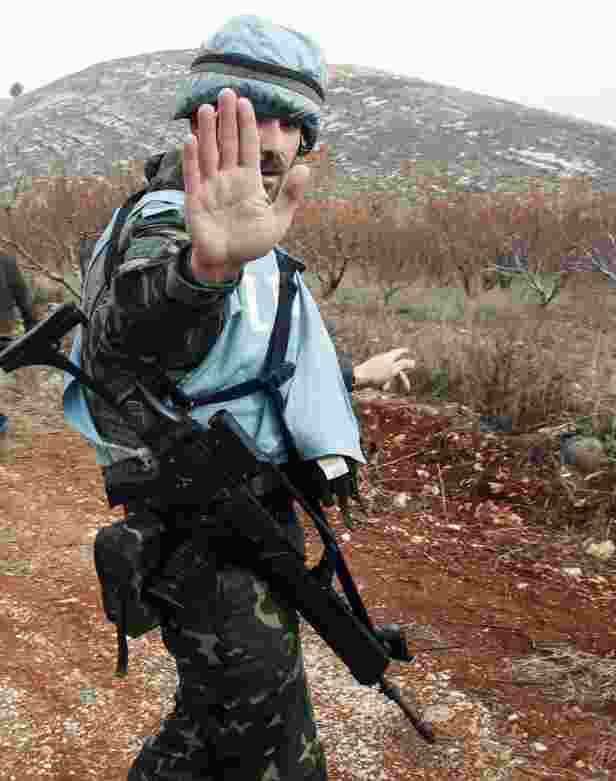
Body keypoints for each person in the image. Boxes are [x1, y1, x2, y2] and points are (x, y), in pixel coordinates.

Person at [62, 16, 413, 780]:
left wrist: (351, 374)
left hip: (248, 514)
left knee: (223, 719)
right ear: (205, 116)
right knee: (262, 729)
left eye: (296, 121)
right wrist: (203, 272)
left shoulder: (244, 232)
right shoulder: (168, 225)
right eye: (258, 111)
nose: (279, 137)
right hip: (205, 529)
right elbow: (138, 330)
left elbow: (245, 363)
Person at [0, 252, 38, 436]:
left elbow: (21, 293)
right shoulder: (6, 259)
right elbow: (22, 293)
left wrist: (31, 326)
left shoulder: (5, 260)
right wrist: (31, 324)